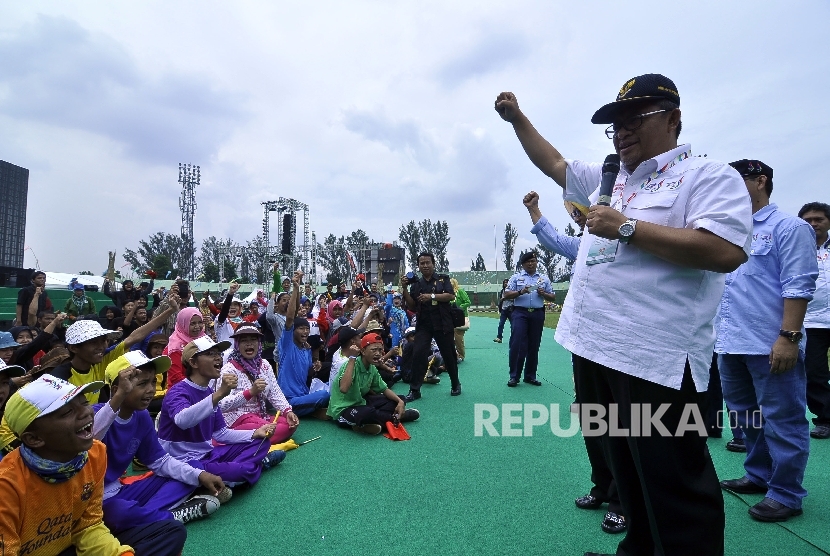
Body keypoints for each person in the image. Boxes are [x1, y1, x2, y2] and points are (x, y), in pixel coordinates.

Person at [496, 74, 752, 555]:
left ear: (673, 119)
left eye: (636, 119)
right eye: (615, 124)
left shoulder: (707, 176)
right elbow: (553, 162)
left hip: (652, 357)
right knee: (624, 471)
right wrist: (517, 119)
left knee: (671, 482)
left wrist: (627, 226)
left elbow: (724, 250)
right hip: (593, 347)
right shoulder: (610, 178)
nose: (623, 131)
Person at [716, 159, 817, 522]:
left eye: (736, 179)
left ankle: (787, 493)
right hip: (730, 341)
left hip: (769, 342)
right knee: (747, 418)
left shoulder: (788, 227)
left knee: (783, 419)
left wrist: (788, 337)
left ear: (761, 181)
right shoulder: (728, 229)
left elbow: (799, 284)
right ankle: (758, 475)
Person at [523, 190, 625, 534]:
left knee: (619, 425)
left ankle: (622, 500)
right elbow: (552, 240)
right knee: (592, 418)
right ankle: (601, 486)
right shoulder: (584, 245)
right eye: (578, 215)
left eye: (585, 213)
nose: (580, 219)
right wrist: (535, 210)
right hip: (584, 342)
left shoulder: (628, 239)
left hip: (618, 344)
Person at [1, 375, 183, 555]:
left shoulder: (95, 453)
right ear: (34, 438)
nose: (86, 412)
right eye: (67, 412)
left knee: (171, 532)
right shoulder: (7, 485)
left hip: (70, 546)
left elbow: (88, 525)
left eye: (84, 402)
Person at [94, 352, 229, 536]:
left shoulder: (141, 416)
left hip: (121, 491)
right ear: (118, 388)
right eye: (142, 384)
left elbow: (161, 462)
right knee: (119, 513)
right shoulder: (96, 415)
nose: (151, 389)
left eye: (152, 382)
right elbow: (89, 439)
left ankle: (148, 516)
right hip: (94, 501)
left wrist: (199, 475)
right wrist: (118, 398)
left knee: (194, 468)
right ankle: (167, 517)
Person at [157, 336, 283, 487]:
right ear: (193, 362)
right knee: (238, 471)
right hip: (185, 461)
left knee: (261, 442)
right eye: (211, 354)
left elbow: (221, 434)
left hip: (209, 454)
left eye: (219, 354)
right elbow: (182, 420)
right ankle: (252, 467)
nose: (218, 358)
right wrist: (219, 394)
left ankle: (229, 474)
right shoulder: (177, 392)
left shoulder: (208, 391)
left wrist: (255, 432)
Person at [47, 295, 180, 403]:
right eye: (94, 342)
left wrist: (170, 311)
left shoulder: (99, 362)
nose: (102, 347)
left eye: (104, 341)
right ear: (74, 348)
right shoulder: (59, 378)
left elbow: (135, 337)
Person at [216, 323, 299, 444]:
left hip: (259, 416)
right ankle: (232, 437)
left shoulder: (264, 364)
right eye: (244, 340)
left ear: (259, 343)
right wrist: (250, 393)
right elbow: (221, 405)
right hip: (237, 418)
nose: (249, 344)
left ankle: (249, 439)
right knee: (269, 430)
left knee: (290, 424)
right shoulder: (229, 369)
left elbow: (274, 392)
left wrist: (287, 411)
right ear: (237, 345)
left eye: (253, 339)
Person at [400, 252, 462, 401]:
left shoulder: (443, 279)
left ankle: (455, 384)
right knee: (418, 354)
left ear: (433, 264)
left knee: (449, 355)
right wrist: (404, 289)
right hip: (424, 325)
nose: (425, 265)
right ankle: (415, 390)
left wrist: (431, 296)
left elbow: (450, 295)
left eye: (428, 262)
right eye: (422, 263)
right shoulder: (416, 285)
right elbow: (412, 306)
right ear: (418, 266)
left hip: (443, 323)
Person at [328, 332, 417, 435]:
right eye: (374, 350)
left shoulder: (372, 367)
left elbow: (384, 389)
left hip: (360, 402)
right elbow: (344, 388)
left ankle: (371, 422)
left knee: (399, 398)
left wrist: (400, 402)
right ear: (363, 351)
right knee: (367, 413)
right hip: (343, 408)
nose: (378, 353)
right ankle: (397, 417)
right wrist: (352, 358)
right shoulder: (350, 364)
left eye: (380, 350)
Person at [277, 272, 331, 416]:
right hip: (288, 401)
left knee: (332, 387)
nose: (306, 331)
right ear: (293, 330)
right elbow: (290, 317)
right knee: (324, 395)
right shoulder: (287, 345)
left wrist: (315, 367)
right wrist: (296, 288)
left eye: (307, 329)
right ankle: (311, 409)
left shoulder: (306, 350)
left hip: (303, 394)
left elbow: (308, 374)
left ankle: (311, 407)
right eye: (301, 328)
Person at [798, 201, 830, 439]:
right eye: (808, 220)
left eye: (818, 219)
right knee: (815, 372)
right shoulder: (796, 248)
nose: (813, 223)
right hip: (812, 321)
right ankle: (825, 420)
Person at [503, 251, 555, 387]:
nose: (531, 264)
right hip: (520, 313)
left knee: (534, 345)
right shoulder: (516, 278)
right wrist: (520, 292)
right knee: (517, 343)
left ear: (537, 263)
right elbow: (507, 294)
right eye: (528, 262)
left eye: (533, 261)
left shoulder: (544, 279)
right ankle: (514, 376)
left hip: (537, 313)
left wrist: (544, 294)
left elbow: (552, 296)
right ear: (523, 264)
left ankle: (530, 376)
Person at [164, 306, 207, 387]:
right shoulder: (175, 347)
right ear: (183, 324)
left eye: (200, 322)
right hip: (182, 390)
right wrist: (198, 385)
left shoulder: (204, 339)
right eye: (192, 323)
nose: (197, 326)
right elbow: (176, 377)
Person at [450, 278, 471, 362]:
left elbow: (468, 302)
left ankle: (461, 355)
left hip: (460, 317)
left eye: (451, 283)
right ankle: (454, 354)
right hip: (450, 317)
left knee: (458, 337)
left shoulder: (460, 291)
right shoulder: (447, 293)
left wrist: (458, 308)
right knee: (450, 337)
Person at [494, 279, 512, 343]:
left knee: (513, 325)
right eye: (504, 282)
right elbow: (501, 300)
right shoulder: (502, 291)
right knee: (501, 324)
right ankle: (499, 337)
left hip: (511, 310)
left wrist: (505, 298)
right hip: (504, 310)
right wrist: (500, 308)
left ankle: (513, 338)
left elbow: (514, 299)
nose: (506, 284)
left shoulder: (512, 291)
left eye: (507, 282)